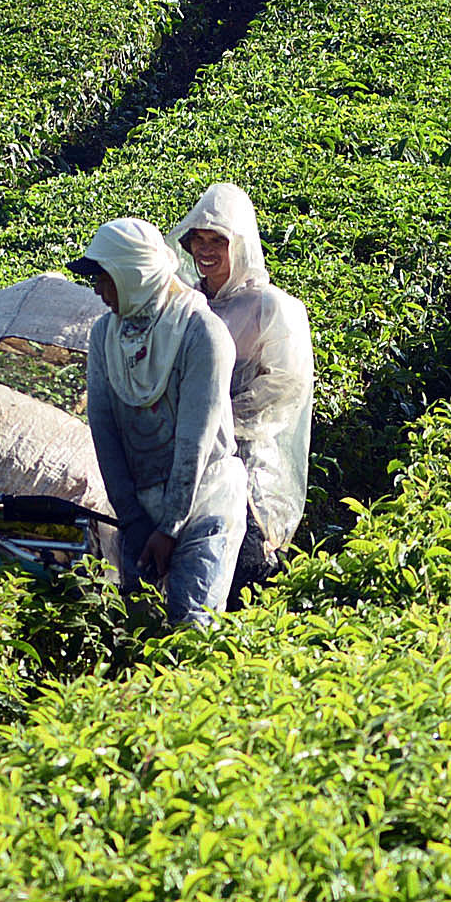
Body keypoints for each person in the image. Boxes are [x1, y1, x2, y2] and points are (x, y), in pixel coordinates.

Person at [70, 216, 246, 628]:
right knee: (139, 630)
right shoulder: (105, 336)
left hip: (203, 502)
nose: (97, 290)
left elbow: (194, 440)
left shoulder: (202, 333)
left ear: (133, 276)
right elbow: (105, 432)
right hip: (142, 509)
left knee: (192, 628)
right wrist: (134, 520)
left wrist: (169, 528)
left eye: (104, 277)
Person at [173, 183, 315, 595]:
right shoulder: (187, 302)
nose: (205, 251)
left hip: (251, 459)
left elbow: (284, 386)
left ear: (240, 244)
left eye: (217, 240)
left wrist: (223, 420)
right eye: (198, 240)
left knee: (248, 560)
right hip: (191, 450)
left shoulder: (271, 307)